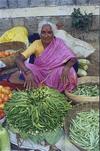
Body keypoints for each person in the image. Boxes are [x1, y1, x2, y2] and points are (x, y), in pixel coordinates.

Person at [9, 21, 78, 92]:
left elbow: (72, 58)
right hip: (40, 72)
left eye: (49, 32)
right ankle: (39, 88)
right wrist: (27, 72)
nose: (46, 35)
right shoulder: (36, 43)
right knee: (27, 66)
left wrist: (66, 68)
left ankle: (58, 89)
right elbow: (18, 59)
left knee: (70, 70)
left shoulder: (58, 42)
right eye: (43, 32)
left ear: (53, 33)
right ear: (40, 34)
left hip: (55, 72)